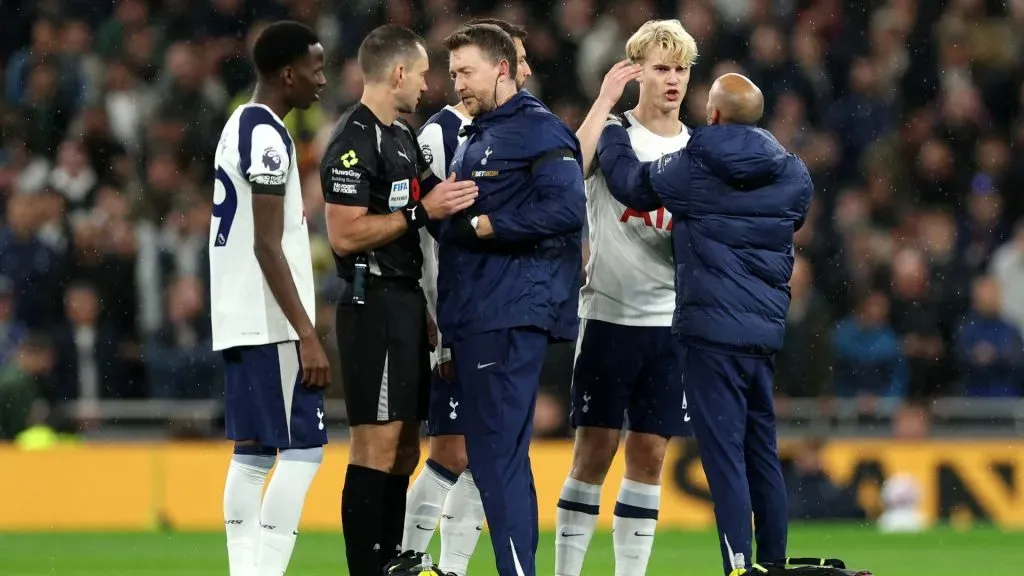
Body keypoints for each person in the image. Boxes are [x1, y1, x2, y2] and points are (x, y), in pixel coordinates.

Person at [595, 73, 813, 576]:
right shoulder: (793, 173)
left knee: (723, 457)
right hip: (762, 334)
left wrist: (610, 132)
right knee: (762, 453)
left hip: (709, 335)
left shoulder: (693, 164)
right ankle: (773, 563)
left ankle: (737, 566)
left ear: (713, 114)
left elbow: (632, 185)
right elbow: (791, 216)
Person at [318, 24, 479, 576]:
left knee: (407, 447)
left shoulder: (403, 138)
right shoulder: (353, 139)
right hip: (373, 304)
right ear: (399, 72)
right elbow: (343, 234)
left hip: (405, 304)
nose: (430, 83)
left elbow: (440, 200)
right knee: (375, 445)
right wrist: (420, 212)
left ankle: (390, 562)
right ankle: (369, 566)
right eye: (425, 71)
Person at [436, 23, 586, 576]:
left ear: (501, 69)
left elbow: (568, 210)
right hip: (479, 314)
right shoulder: (479, 134)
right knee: (500, 458)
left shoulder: (537, 131)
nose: (457, 85)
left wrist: (486, 224)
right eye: (453, 74)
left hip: (509, 311)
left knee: (497, 458)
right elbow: (458, 230)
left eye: (466, 72)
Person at [554, 20, 697, 576]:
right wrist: (603, 101)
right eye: (661, 68)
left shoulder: (697, 146)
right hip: (609, 315)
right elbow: (570, 173)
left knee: (650, 455)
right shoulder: (614, 131)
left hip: (669, 323)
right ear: (637, 71)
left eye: (681, 69)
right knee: (593, 451)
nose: (673, 80)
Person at [402, 18, 532, 576]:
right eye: (517, 60)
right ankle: (408, 558)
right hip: (454, 316)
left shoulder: (521, 130)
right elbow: (429, 236)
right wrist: (438, 319)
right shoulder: (440, 134)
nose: (523, 70)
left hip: (501, 312)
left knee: (492, 456)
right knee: (453, 452)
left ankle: (452, 568)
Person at [210, 20, 329, 576]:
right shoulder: (266, 135)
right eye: (316, 67)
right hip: (271, 324)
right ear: (288, 74)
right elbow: (264, 243)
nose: (322, 80)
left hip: (244, 317)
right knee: (304, 452)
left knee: (254, 454)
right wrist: (307, 333)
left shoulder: (239, 123)